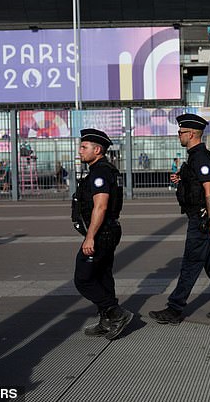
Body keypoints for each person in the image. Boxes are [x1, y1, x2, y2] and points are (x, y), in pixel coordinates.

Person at [149, 114, 210, 325]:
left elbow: (209, 189)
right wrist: (181, 178)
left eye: (180, 132)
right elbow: (196, 182)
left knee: (190, 264)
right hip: (201, 217)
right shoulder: (194, 157)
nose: (178, 135)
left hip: (202, 219)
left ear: (191, 134)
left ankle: (175, 309)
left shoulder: (200, 157)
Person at [72, 129, 133, 340]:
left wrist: (90, 237)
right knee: (102, 276)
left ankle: (116, 313)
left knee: (83, 279)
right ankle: (106, 320)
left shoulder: (99, 172)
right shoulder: (106, 170)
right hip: (108, 230)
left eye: (84, 147)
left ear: (97, 150)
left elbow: (101, 206)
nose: (79, 151)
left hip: (101, 233)